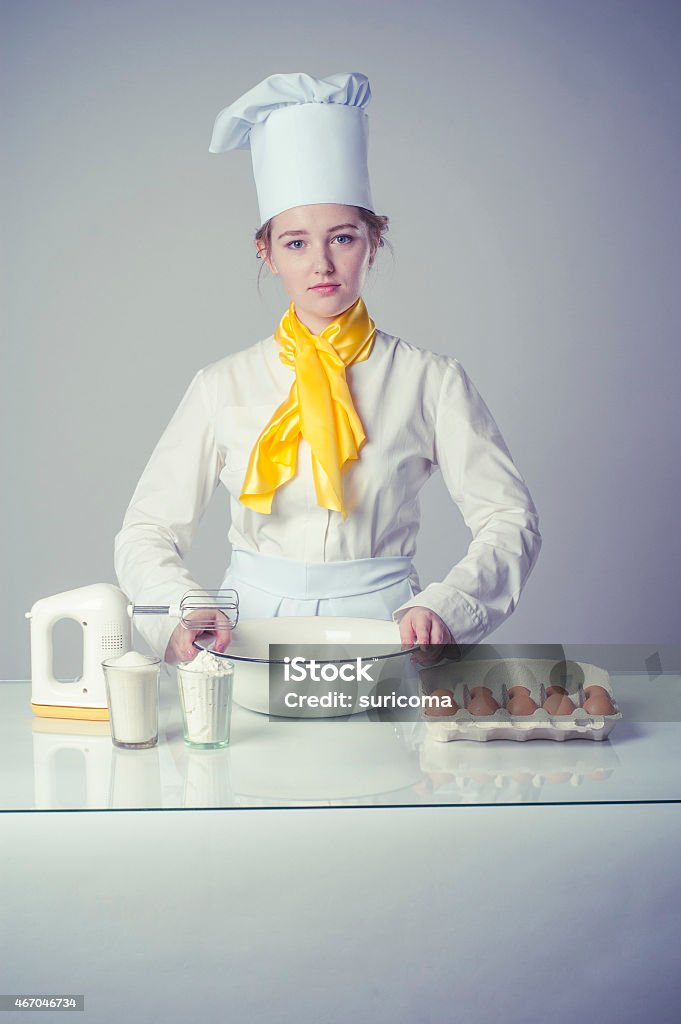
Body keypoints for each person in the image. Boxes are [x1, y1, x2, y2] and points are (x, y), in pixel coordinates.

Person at [114, 71, 541, 667]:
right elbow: (147, 530)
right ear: (265, 252)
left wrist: (448, 606)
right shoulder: (222, 385)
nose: (321, 264)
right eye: (294, 243)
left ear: (373, 239)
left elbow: (509, 518)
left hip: (388, 633)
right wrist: (183, 606)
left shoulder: (431, 380)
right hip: (248, 639)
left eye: (342, 237)